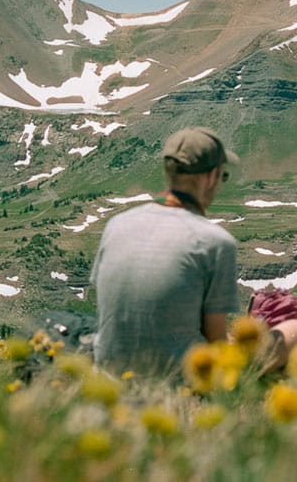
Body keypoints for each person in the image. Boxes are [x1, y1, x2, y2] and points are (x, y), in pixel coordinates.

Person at [90, 127, 240, 373]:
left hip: (109, 387)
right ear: (211, 177)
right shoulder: (215, 243)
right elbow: (217, 342)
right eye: (223, 176)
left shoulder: (116, 224)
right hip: (175, 391)